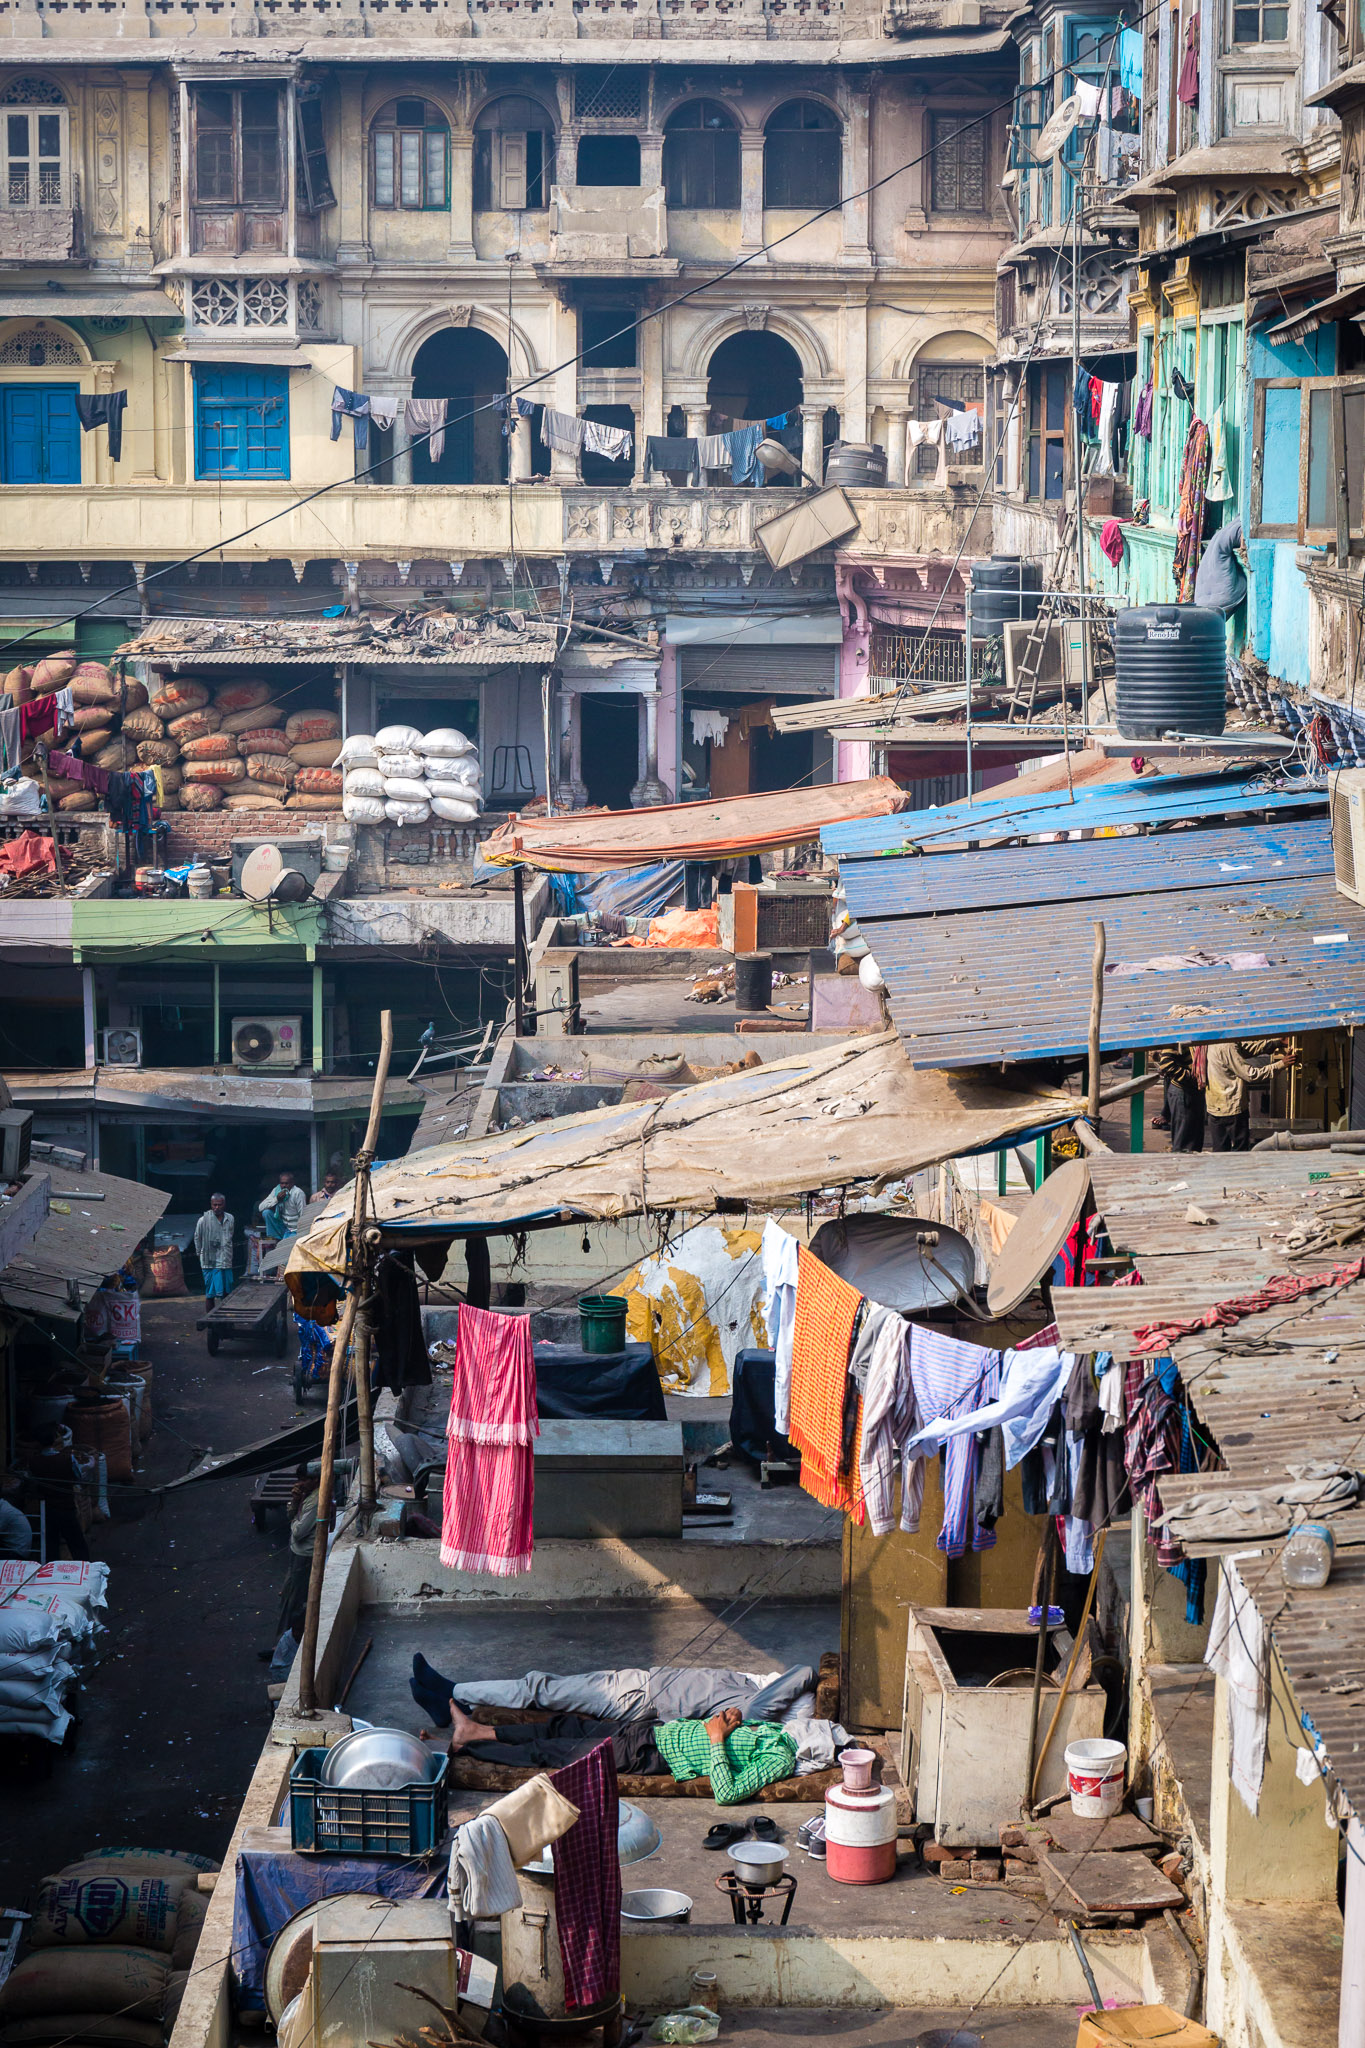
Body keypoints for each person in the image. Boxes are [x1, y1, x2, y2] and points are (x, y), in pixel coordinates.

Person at [445, 1700, 797, 1805]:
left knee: (551, 1751)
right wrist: (734, 1719)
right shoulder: (777, 1732)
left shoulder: (781, 1759)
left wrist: (719, 1738)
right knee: (560, 1725)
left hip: (647, 1755)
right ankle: (475, 1730)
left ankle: (471, 1749)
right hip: (652, 1731)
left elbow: (727, 1792)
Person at [1206, 1038, 1295, 1151]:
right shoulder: (1226, 1046)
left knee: (1219, 1151)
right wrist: (1280, 1065)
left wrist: (1276, 1043)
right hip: (1232, 1109)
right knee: (1240, 1153)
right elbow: (1250, 1075)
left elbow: (1244, 1049)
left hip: (1215, 1107)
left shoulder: (1213, 1042)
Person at [1152, 1045, 1207, 1153]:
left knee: (1194, 1140)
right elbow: (1166, 1064)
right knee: (1185, 1143)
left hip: (1193, 1092)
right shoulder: (1180, 1040)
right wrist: (1192, 1077)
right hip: (1184, 1092)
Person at [1193, 517, 1247, 616]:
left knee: (1210, 627)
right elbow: (1244, 535)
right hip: (1223, 596)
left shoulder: (1222, 534)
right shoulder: (1232, 531)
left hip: (1206, 600)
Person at [193, 1194, 235, 1303]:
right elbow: (197, 1238)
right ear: (211, 1205)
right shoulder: (203, 1220)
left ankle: (224, 1318)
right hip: (209, 1263)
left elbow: (230, 1237)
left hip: (226, 1260)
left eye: (219, 1205)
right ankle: (210, 1319)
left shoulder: (230, 1218)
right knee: (210, 1294)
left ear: (224, 1205)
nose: (217, 1207)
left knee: (226, 1292)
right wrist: (199, 1254)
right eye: (214, 1205)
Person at [259, 1170, 305, 1242]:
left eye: (286, 1183)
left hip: (295, 1228)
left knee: (287, 1245)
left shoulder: (298, 1193)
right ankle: (275, 1237)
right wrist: (276, 1199)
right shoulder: (277, 1190)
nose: (284, 1186)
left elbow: (303, 1214)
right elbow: (260, 1207)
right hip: (283, 1226)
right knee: (266, 1212)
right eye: (282, 1183)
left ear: (292, 1183)